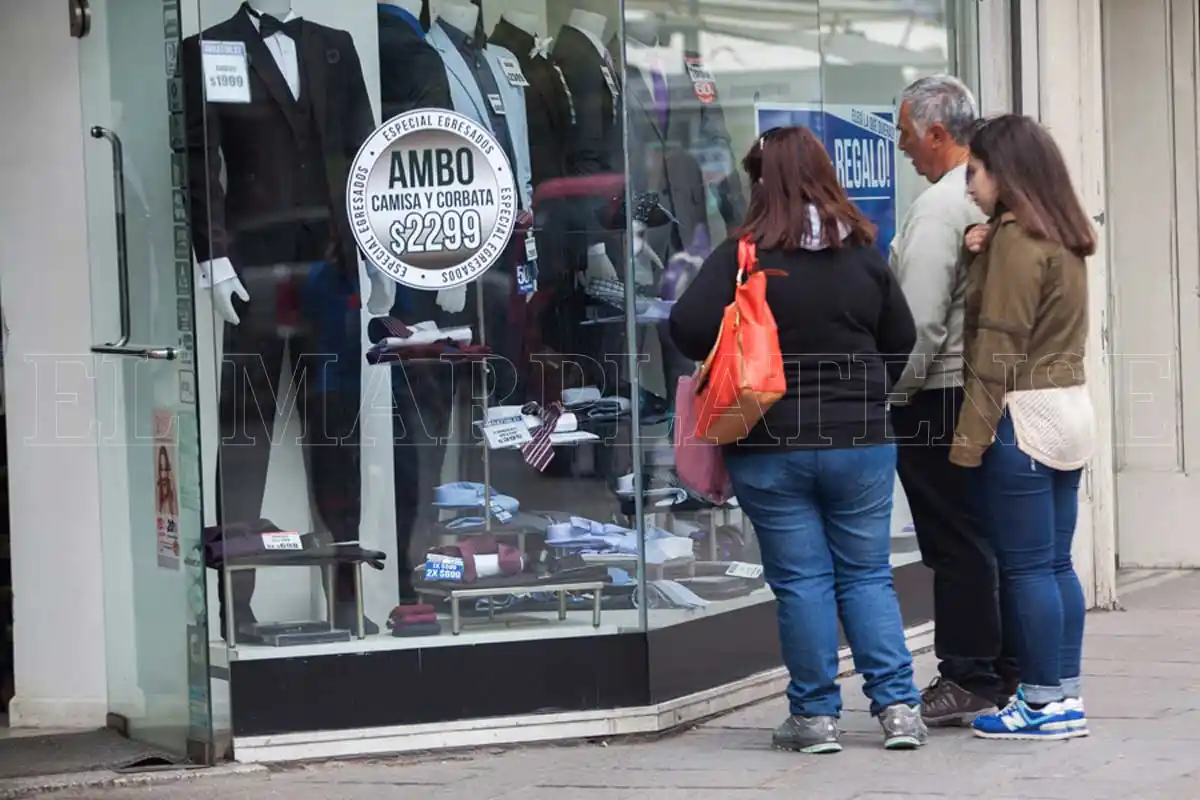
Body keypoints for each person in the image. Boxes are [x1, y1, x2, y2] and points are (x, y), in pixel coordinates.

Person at [669, 126, 924, 754]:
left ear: (763, 182)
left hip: (769, 442)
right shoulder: (862, 252)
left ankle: (814, 719)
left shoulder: (743, 255)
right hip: (859, 441)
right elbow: (902, 338)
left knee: (803, 582)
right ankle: (898, 710)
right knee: (867, 576)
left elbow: (686, 327)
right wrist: (863, 395)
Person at [953, 113, 1096, 740]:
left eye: (975, 170)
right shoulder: (1063, 232)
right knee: (1056, 564)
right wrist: (979, 251)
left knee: (1027, 569)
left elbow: (997, 348)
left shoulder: (1015, 239)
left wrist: (968, 444)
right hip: (1068, 408)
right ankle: (1063, 696)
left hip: (1022, 414)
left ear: (1004, 172)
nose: (968, 183)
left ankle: (1038, 704)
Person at [890, 74, 1018, 725]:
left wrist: (893, 394)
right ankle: (1003, 670)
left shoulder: (940, 206)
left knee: (954, 541)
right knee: (986, 535)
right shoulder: (991, 194)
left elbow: (919, 322)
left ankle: (968, 674)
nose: (901, 146)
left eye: (905, 133)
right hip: (980, 390)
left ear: (936, 133)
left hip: (936, 395)